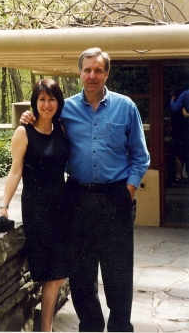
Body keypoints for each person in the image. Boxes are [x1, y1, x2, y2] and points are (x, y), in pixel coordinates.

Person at [20, 47, 150, 332]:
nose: (92, 75)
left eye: (98, 70)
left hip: (116, 197)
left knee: (117, 271)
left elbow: (141, 156)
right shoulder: (66, 110)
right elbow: (43, 127)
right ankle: (90, 326)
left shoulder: (125, 106)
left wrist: (127, 190)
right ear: (79, 73)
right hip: (76, 198)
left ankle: (119, 327)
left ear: (106, 73)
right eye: (87, 70)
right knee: (81, 272)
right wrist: (28, 119)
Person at [0, 79, 69, 332]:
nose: (47, 104)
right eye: (41, 99)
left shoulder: (61, 129)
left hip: (62, 207)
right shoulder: (23, 132)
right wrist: (4, 205)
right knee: (47, 271)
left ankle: (45, 327)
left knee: (59, 274)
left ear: (58, 103)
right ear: (34, 102)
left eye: (51, 99)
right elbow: (15, 171)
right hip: (37, 208)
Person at [169, 88, 188, 184]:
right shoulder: (183, 107)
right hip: (183, 131)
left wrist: (171, 101)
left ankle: (178, 175)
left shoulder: (177, 104)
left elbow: (174, 109)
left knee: (179, 153)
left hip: (179, 132)